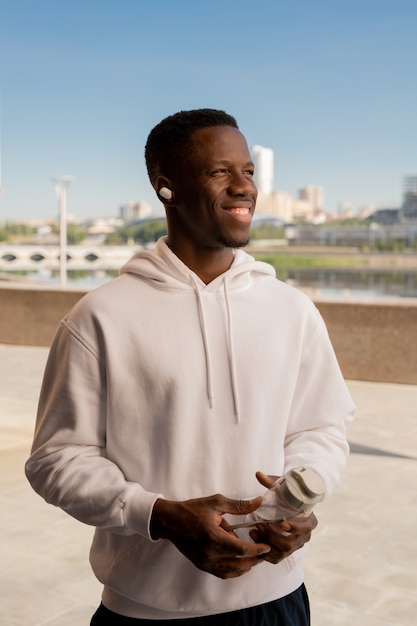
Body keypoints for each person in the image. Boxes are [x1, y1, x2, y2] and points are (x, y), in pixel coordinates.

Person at [25, 109, 355, 625]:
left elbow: (322, 427)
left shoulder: (292, 309)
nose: (243, 187)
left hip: (279, 601)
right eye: (220, 171)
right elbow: (56, 459)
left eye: (248, 171)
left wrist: (301, 495)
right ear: (166, 187)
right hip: (145, 611)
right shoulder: (99, 317)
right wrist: (158, 516)